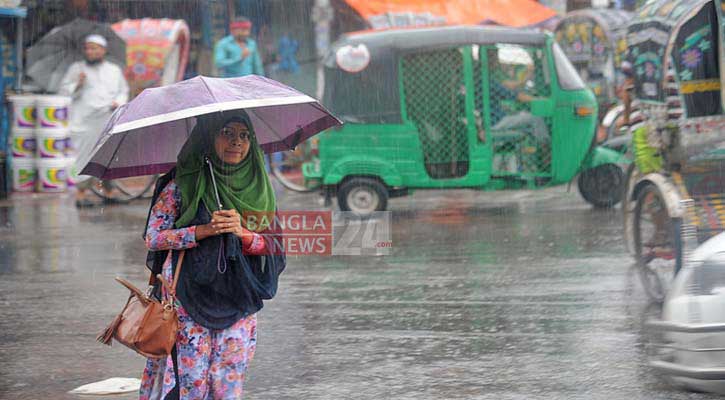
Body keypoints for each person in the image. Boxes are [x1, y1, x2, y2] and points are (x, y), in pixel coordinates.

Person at [138, 110, 286, 400]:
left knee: (228, 380)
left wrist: (243, 233)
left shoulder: (259, 188)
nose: (237, 143)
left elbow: (274, 245)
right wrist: (201, 231)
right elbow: (153, 238)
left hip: (238, 294)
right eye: (226, 133)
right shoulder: (183, 184)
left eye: (244, 136)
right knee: (192, 381)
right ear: (207, 138)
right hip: (186, 296)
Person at [58, 34, 129, 207]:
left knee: (109, 157)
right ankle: (81, 194)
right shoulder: (77, 69)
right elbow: (63, 93)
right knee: (84, 158)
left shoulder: (113, 70)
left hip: (107, 120)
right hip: (83, 122)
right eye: (87, 48)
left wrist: (118, 102)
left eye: (94, 48)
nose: (90, 52)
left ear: (103, 50)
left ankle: (110, 191)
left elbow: (123, 91)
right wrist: (77, 84)